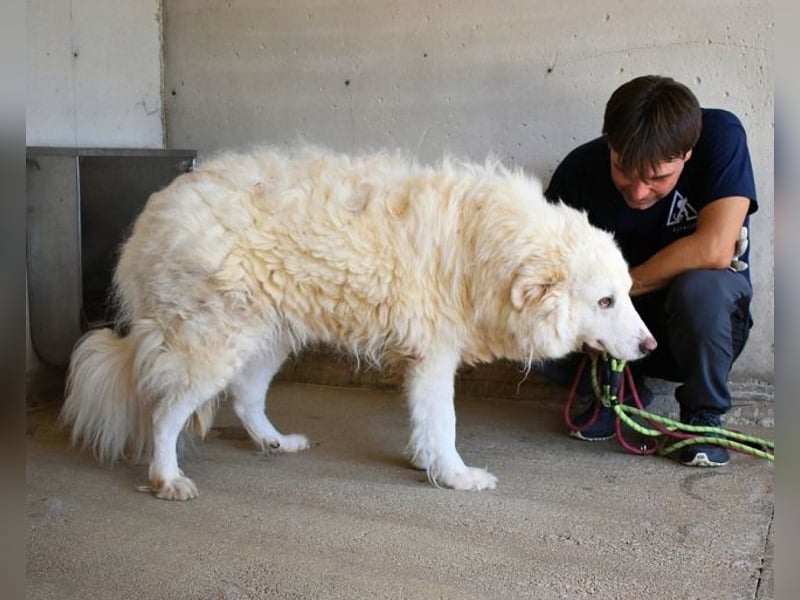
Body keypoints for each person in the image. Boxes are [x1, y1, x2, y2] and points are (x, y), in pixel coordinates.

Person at [542, 74, 758, 467]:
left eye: (657, 177)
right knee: (533, 317)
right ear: (610, 145)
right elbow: (544, 269)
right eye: (624, 169)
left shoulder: (722, 137)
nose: (638, 192)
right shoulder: (578, 172)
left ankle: (702, 418)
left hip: (700, 331)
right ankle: (615, 389)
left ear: (687, 154)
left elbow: (715, 248)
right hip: (608, 336)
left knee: (702, 287)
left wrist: (612, 296)